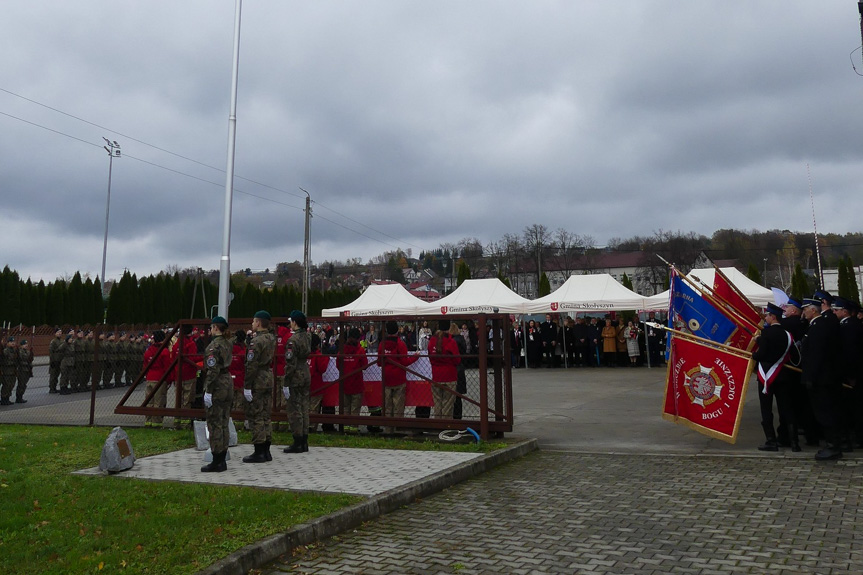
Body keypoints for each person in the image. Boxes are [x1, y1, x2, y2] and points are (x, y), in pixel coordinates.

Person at [800, 296, 842, 460]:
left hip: (821, 379)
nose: (803, 312)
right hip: (822, 377)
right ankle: (832, 444)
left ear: (813, 309)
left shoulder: (819, 327)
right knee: (824, 412)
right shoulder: (817, 325)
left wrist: (810, 377)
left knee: (825, 412)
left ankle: (833, 445)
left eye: (805, 309)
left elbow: (817, 355)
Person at [752, 303, 797, 452]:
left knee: (766, 409)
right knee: (786, 408)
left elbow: (762, 354)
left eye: (768, 315)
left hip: (766, 376)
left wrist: (754, 354)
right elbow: (793, 355)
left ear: (773, 317)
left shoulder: (766, 333)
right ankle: (794, 441)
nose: (766, 317)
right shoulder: (787, 334)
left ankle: (771, 440)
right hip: (783, 376)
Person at [242, 310, 277, 463]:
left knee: (256, 415)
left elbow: (251, 365)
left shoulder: (256, 342)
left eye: (253, 321)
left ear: (258, 322)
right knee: (265, 415)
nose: (252, 324)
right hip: (268, 377)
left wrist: (247, 385)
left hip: (257, 379)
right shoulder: (271, 338)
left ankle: (259, 450)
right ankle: (267, 449)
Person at [201, 317, 234, 472]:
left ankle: (217, 459)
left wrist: (208, 390)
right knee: (224, 421)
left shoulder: (213, 347)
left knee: (214, 422)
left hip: (217, 385)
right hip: (227, 382)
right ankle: (223, 456)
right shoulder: (228, 343)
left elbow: (212, 370)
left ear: (215, 327)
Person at [378, 320, 418, 434]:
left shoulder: (382, 344)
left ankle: (388, 428)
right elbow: (405, 361)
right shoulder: (400, 344)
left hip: (386, 378)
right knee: (398, 405)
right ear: (397, 330)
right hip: (399, 378)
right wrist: (415, 357)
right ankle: (397, 427)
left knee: (387, 405)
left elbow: (379, 363)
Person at [283, 310, 312, 454]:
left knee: (295, 409)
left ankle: (297, 440)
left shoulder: (292, 340)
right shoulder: (307, 336)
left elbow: (290, 363)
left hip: (295, 375)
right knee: (304, 407)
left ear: (295, 322)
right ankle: (305, 440)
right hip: (305, 372)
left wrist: (286, 382)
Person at [428, 319, 461, 419]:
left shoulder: (432, 341)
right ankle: (446, 427)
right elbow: (457, 360)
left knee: (437, 403)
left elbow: (430, 357)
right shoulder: (451, 341)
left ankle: (438, 424)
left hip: (436, 375)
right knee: (448, 405)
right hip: (449, 376)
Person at [173, 324, 200, 429]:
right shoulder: (191, 344)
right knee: (187, 400)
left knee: (178, 399)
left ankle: (177, 422)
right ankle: (185, 423)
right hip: (189, 375)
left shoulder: (177, 344)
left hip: (178, 375)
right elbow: (192, 359)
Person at [341, 328, 368, 428]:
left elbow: (338, 365)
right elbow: (365, 365)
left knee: (345, 408)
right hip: (356, 383)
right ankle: (353, 428)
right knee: (355, 408)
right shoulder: (360, 350)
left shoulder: (342, 349)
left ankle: (345, 427)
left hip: (345, 382)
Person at [142, 330, 170, 427]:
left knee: (149, 401)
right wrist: (169, 380)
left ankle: (148, 421)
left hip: (150, 377)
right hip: (160, 378)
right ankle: (156, 422)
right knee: (158, 401)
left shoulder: (149, 350)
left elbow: (145, 365)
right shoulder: (164, 351)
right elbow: (167, 367)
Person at [307, 333, 331, 432]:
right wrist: (326, 357)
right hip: (316, 386)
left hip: (303, 385)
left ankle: (304, 426)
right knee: (314, 408)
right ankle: (311, 427)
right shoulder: (317, 355)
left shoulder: (303, 354)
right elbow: (322, 368)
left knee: (304, 407)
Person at [450, 322, 469, 419]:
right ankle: (458, 416)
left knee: (450, 396)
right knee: (458, 396)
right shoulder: (461, 339)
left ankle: (453, 415)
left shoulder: (451, 340)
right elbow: (465, 350)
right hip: (460, 367)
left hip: (453, 367)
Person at [229, 329, 247, 420]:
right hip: (241, 377)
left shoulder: (230, 349)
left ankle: (230, 419)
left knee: (230, 401)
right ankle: (238, 421)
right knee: (239, 401)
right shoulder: (244, 350)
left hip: (230, 377)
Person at [15, 338, 33, 404]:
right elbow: (23, 358)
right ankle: (18, 397)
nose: (26, 345)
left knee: (24, 384)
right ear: (21, 345)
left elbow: (30, 359)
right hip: (21, 369)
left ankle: (21, 396)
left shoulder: (27, 351)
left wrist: (31, 354)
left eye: (26, 344)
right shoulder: (20, 351)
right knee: (21, 384)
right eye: (24, 344)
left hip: (27, 370)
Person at [0, 337, 18, 406]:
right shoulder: (5, 351)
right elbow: (4, 361)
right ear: (7, 343)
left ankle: (7, 397)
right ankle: (4, 399)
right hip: (7, 371)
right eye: (11, 342)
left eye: (14, 342)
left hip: (13, 371)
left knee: (11, 385)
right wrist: (12, 362)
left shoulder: (14, 350)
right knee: (6, 385)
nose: (13, 343)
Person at [58, 330, 76, 395]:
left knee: (68, 375)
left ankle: (66, 387)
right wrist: (65, 342)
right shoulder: (65, 345)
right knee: (64, 375)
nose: (71, 340)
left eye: (71, 338)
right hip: (65, 362)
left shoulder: (72, 345)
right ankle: (62, 387)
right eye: (70, 338)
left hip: (71, 361)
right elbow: (60, 349)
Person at [48, 328, 63, 393]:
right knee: (53, 375)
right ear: (55, 333)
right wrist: (52, 361)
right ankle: (52, 388)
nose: (59, 333)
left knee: (57, 375)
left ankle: (55, 387)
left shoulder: (62, 341)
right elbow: (51, 352)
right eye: (58, 332)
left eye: (60, 332)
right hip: (55, 360)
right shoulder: (53, 341)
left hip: (60, 360)